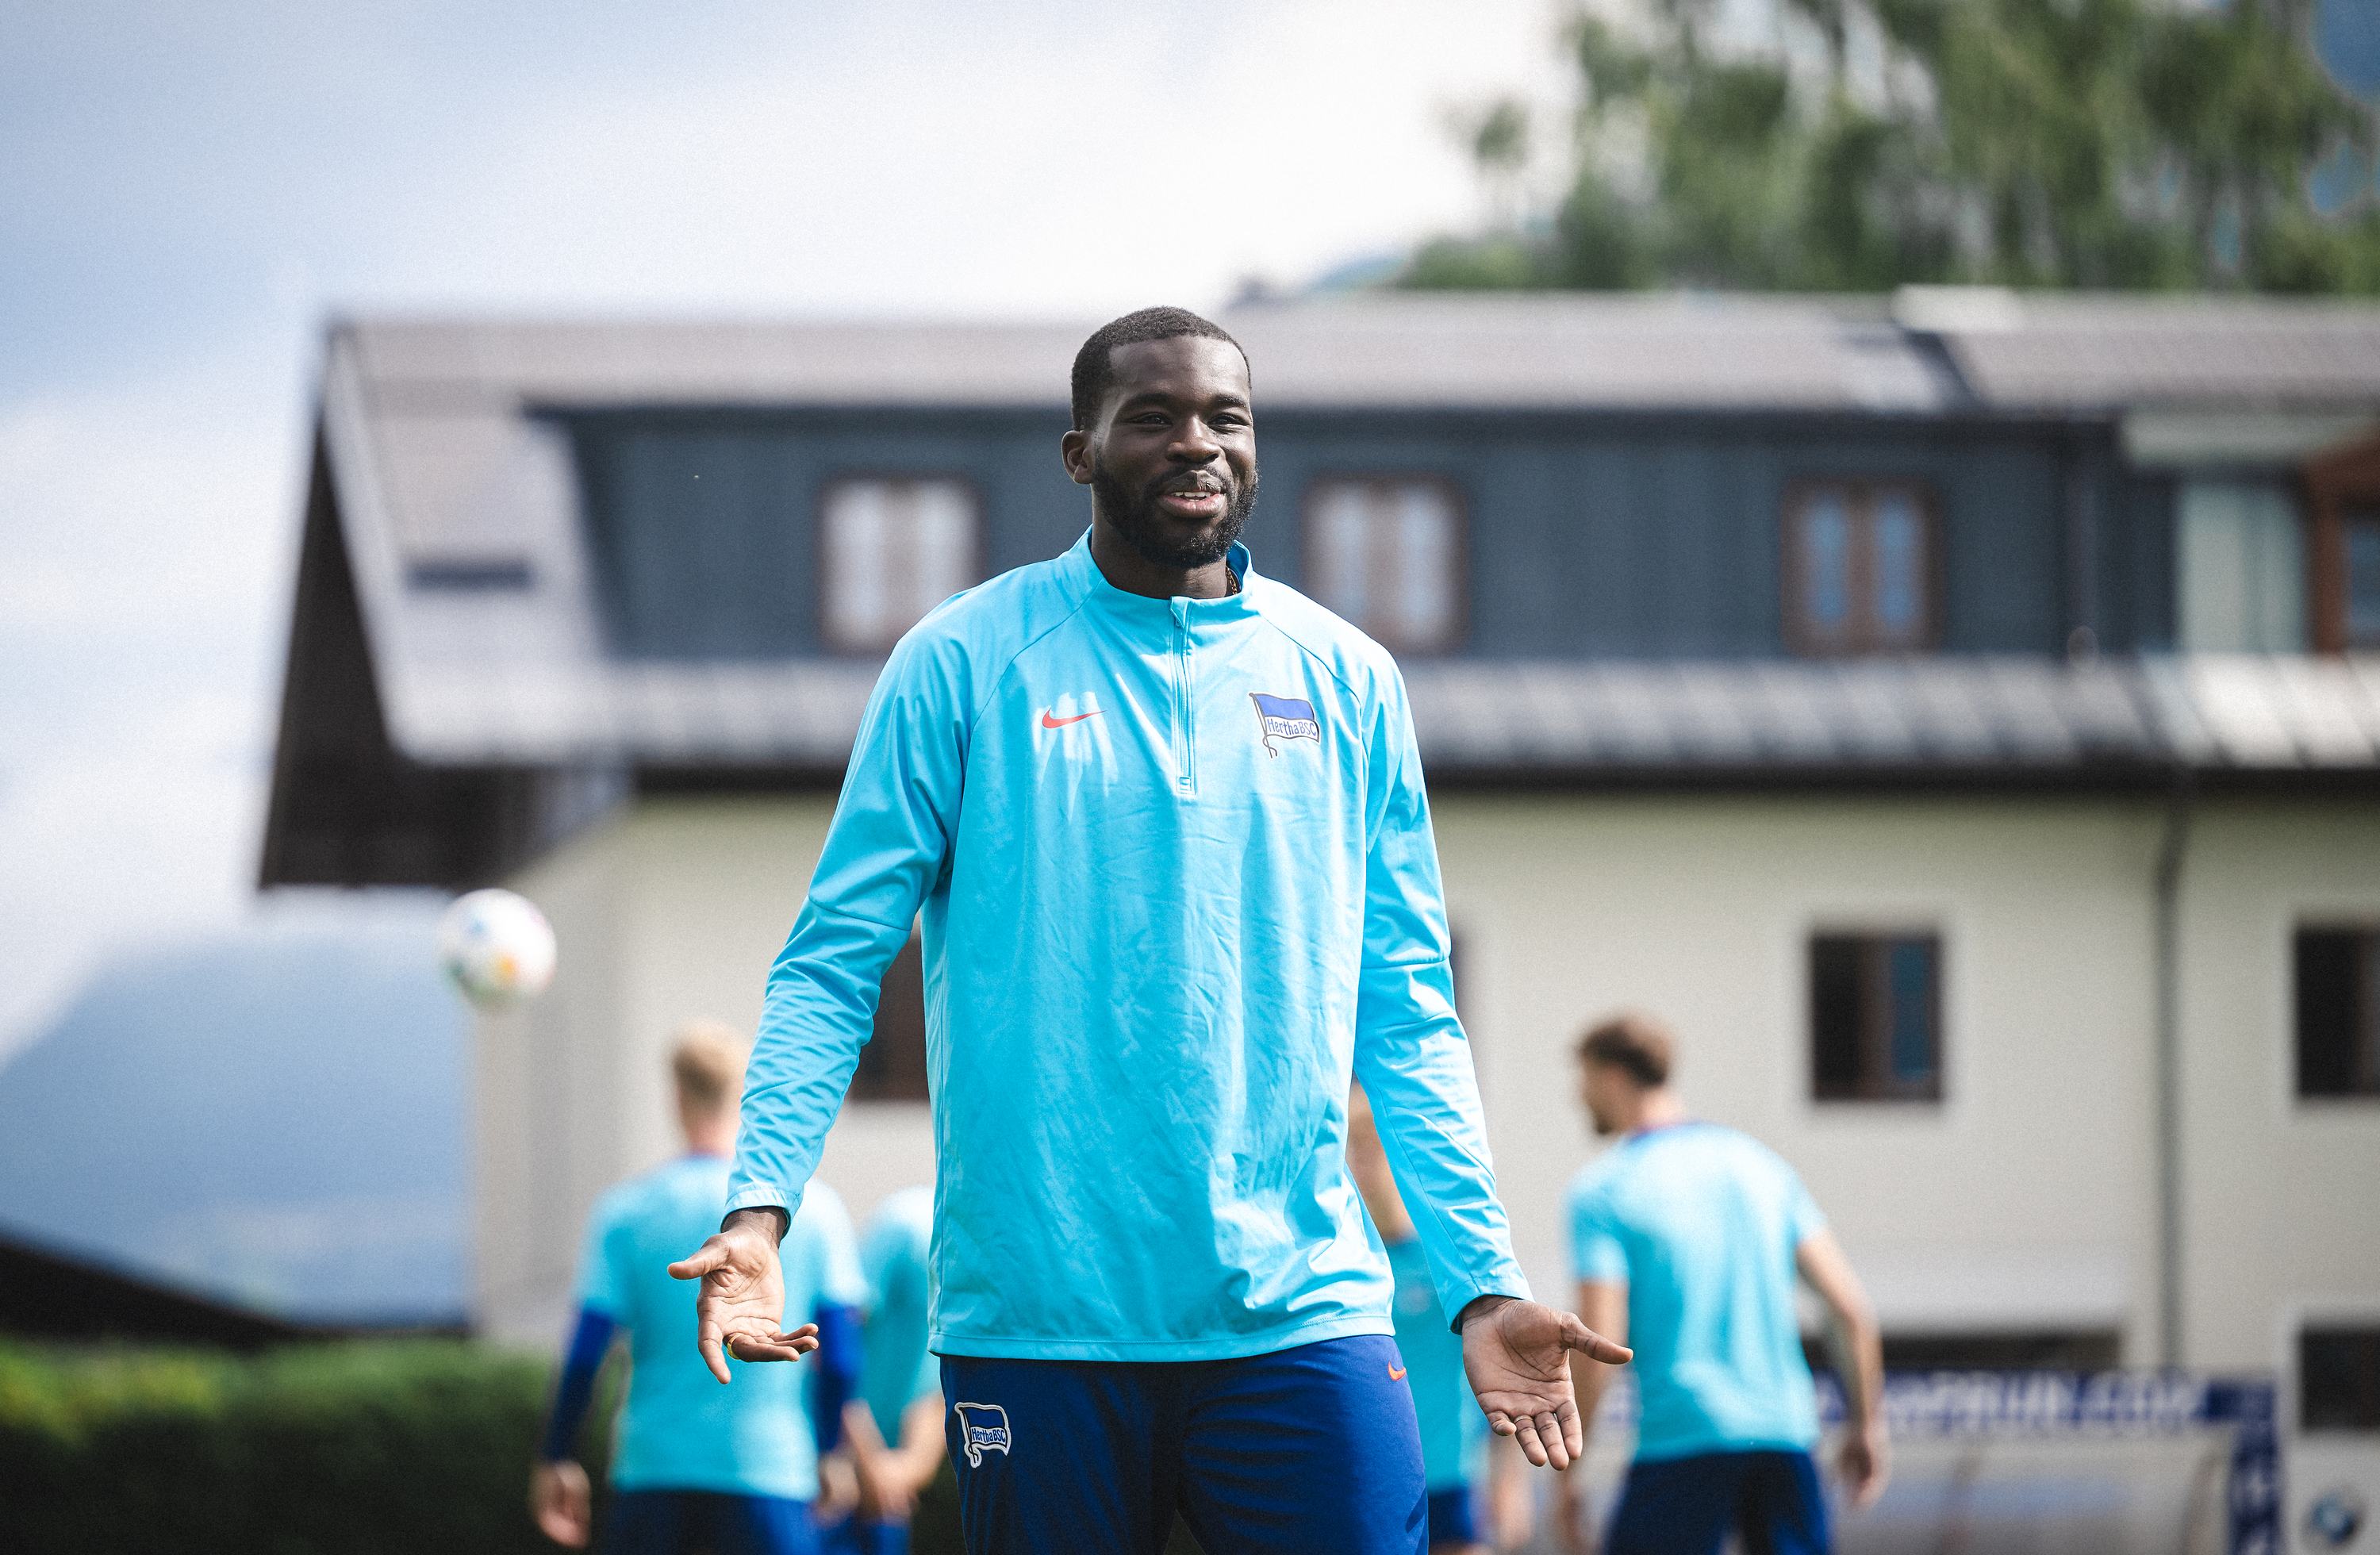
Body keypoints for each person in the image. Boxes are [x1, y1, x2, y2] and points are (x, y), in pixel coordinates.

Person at [667, 305, 1629, 1554]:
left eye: (1226, 418)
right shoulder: (961, 663)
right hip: (1039, 1323)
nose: (1198, 444)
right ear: (1080, 455)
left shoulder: (1348, 680)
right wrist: (760, 1208)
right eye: (1155, 419)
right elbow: (833, 965)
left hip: (1306, 1311)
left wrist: (1481, 1282)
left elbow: (1406, 1006)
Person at [1556, 1014, 1889, 1555]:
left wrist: (1570, 1469)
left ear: (1613, 1077)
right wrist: (1867, 1426)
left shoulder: (1604, 1192)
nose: (1579, 1096)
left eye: (1584, 1079)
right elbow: (1849, 1310)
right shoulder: (1762, 1168)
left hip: (1684, 1438)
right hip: (1785, 1435)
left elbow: (1599, 1344)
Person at [533, 1023, 869, 1554]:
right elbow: (844, 1355)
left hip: (653, 1474)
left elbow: (584, 1355)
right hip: (771, 1475)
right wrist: (830, 1451)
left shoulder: (626, 1213)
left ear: (677, 1097)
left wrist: (557, 1456)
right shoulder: (818, 1212)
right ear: (744, 1096)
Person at [1345, 1081, 1530, 1555]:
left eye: (1370, 1149)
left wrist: (1509, 1488)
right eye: (1350, 1152)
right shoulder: (1342, 1266)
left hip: (1452, 1478)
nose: (1359, 1166)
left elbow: (1503, 1378)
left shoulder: (1451, 1261)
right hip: (1366, 1481)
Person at [824, 1184, 949, 1555]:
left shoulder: (924, 1230)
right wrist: (873, 1463)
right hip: (842, 1467)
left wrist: (904, 1470)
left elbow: (943, 1388)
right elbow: (832, 1358)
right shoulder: (908, 1227)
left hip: (885, 1482)